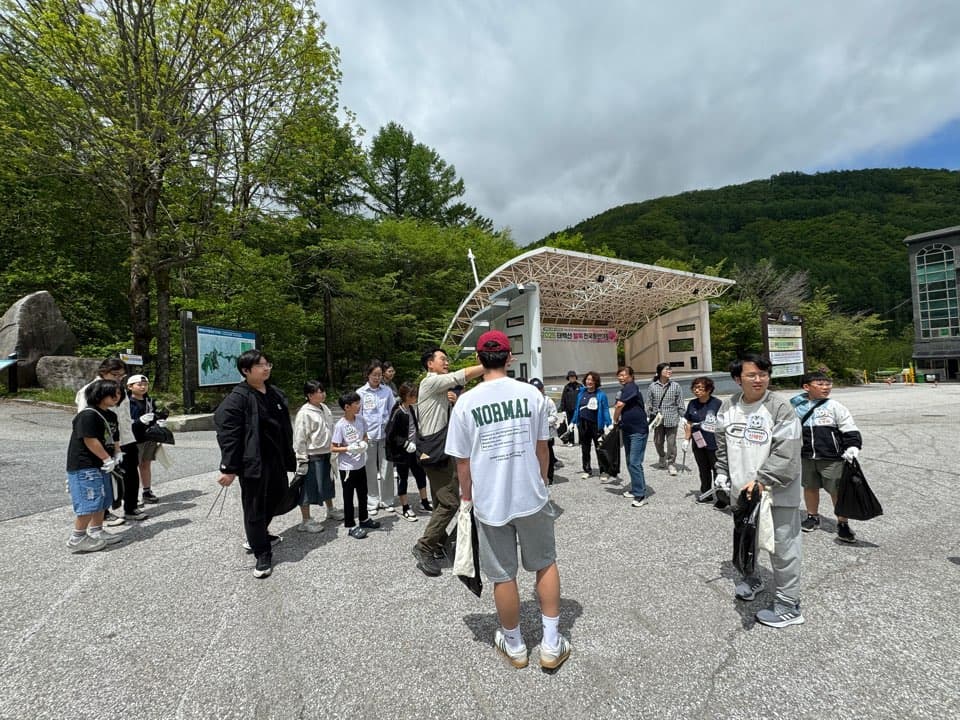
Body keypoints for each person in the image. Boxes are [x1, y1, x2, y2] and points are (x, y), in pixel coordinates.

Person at [446, 330, 571, 670]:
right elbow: (542, 447)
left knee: (503, 575)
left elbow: (462, 462)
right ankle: (551, 643)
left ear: (478, 359)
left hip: (490, 501)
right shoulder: (530, 394)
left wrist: (467, 497)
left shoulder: (466, 403)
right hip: (530, 495)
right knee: (545, 562)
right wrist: (542, 482)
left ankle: (515, 645)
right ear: (509, 358)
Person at [714, 354, 804, 628]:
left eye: (763, 374)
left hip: (776, 492)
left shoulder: (780, 407)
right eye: (751, 375)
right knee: (747, 542)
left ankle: (789, 604)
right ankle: (752, 579)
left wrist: (763, 480)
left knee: (783, 548)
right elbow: (721, 444)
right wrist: (721, 472)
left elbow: (787, 453)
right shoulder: (728, 407)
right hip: (743, 492)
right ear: (737, 379)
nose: (759, 379)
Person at [214, 350, 296, 579]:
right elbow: (228, 434)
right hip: (253, 462)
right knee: (255, 506)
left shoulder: (275, 393)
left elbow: (284, 427)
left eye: (268, 364)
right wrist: (229, 468)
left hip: (276, 458)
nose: (266, 368)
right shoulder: (237, 399)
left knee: (278, 495)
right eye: (260, 365)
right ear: (246, 370)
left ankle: (258, 534)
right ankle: (262, 552)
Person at [411, 347, 484, 577]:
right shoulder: (430, 382)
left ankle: (439, 543)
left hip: (436, 451)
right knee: (450, 503)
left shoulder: (440, 389)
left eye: (447, 359)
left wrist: (454, 401)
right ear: (430, 364)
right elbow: (461, 375)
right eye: (442, 359)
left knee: (439, 500)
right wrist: (489, 365)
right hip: (437, 453)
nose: (446, 362)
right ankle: (424, 546)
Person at [790, 371, 863, 543]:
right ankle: (812, 517)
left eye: (828, 384)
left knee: (836, 490)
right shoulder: (796, 407)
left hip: (832, 457)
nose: (826, 387)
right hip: (807, 456)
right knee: (810, 487)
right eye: (820, 384)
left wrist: (853, 446)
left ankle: (843, 523)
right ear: (806, 387)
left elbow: (848, 426)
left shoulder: (835, 406)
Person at [77, 358, 147, 525]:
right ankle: (104, 513)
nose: (118, 378)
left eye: (121, 376)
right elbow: (85, 418)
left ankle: (131, 507)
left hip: (126, 438)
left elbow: (125, 416)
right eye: (115, 374)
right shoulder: (89, 390)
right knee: (105, 477)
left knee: (131, 473)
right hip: (104, 442)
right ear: (103, 372)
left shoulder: (120, 389)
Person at [65, 379, 126, 552]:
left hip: (102, 464)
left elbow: (114, 437)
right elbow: (90, 439)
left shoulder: (111, 415)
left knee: (102, 499)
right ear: (99, 394)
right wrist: (107, 458)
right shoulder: (88, 415)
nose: (116, 396)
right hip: (85, 465)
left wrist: (117, 452)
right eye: (112, 393)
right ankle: (77, 537)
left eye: (119, 393)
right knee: (89, 501)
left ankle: (97, 531)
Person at [292, 380, 344, 533]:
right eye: (319, 392)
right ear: (309, 395)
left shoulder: (324, 408)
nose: (322, 394)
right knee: (308, 487)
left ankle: (330, 509)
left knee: (327, 483)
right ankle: (306, 520)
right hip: (312, 455)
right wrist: (302, 459)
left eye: (323, 391)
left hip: (327, 452)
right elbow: (299, 438)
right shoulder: (304, 413)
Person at [331, 391, 380, 539]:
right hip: (347, 468)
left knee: (363, 493)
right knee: (348, 497)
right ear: (347, 407)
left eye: (359, 402)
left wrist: (364, 443)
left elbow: (365, 435)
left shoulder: (361, 419)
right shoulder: (340, 425)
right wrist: (348, 448)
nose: (359, 406)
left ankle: (364, 519)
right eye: (356, 403)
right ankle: (350, 526)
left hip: (360, 464)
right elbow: (333, 447)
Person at [385, 381, 431, 520]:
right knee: (403, 478)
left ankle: (424, 502)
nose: (415, 397)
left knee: (420, 474)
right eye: (413, 395)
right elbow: (390, 434)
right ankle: (405, 507)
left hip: (414, 450)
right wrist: (405, 443)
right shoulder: (398, 412)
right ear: (405, 396)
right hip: (402, 453)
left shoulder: (411, 408)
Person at [357, 360, 397, 515]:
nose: (377, 378)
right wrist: (362, 436)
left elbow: (393, 412)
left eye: (379, 375)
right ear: (368, 375)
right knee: (370, 470)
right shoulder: (361, 393)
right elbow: (358, 416)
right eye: (374, 375)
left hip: (385, 436)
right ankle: (372, 501)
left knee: (387, 469)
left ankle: (387, 500)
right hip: (369, 437)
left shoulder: (387, 391)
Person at [683, 376, 724, 506]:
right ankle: (706, 494)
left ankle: (722, 498)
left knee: (717, 469)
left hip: (714, 442)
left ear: (709, 389)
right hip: (698, 440)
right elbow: (689, 422)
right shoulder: (692, 403)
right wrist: (686, 439)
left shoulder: (717, 403)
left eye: (700, 388)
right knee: (703, 468)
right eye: (695, 388)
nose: (697, 390)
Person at [613, 366, 649, 507]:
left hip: (638, 430)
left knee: (634, 462)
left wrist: (615, 419)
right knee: (630, 461)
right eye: (619, 375)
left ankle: (640, 495)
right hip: (628, 429)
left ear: (631, 376)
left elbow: (619, 405)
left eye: (623, 375)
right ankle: (636, 489)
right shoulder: (625, 389)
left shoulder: (631, 386)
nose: (621, 378)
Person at [126, 374, 161, 505]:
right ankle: (132, 496)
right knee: (132, 468)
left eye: (145, 385)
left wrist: (159, 420)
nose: (143, 387)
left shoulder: (150, 401)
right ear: (130, 387)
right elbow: (125, 422)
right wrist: (138, 421)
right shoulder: (126, 402)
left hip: (149, 437)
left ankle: (147, 491)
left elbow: (155, 416)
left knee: (146, 464)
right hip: (134, 438)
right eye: (139, 384)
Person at [570, 371, 611, 479]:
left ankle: (604, 471)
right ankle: (587, 470)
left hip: (596, 425)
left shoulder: (601, 395)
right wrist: (573, 422)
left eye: (592, 380)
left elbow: (605, 410)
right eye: (588, 379)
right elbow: (577, 409)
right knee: (585, 448)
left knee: (600, 448)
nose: (589, 382)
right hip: (583, 424)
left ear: (596, 382)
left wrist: (609, 423)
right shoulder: (581, 393)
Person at [646, 363, 685, 475]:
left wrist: (684, 417)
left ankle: (671, 463)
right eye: (667, 369)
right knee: (658, 442)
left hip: (672, 418)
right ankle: (662, 456)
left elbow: (680, 403)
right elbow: (648, 403)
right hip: (657, 420)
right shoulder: (652, 386)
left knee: (671, 443)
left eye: (670, 369)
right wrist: (648, 415)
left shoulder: (676, 386)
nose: (669, 371)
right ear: (659, 372)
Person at [529, 378, 559, 484]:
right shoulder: (529, 401)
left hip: (547, 433)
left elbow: (554, 416)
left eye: (539, 389)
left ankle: (549, 477)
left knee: (547, 454)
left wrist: (542, 422)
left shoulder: (548, 401)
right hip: (534, 433)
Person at [557, 370, 582, 445]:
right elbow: (563, 398)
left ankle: (581, 441)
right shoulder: (566, 387)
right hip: (569, 410)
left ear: (575, 377)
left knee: (580, 426)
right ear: (568, 378)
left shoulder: (580, 386)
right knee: (570, 426)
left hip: (578, 410)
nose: (572, 378)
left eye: (573, 377)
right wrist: (563, 409)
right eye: (570, 377)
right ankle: (571, 441)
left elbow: (583, 396)